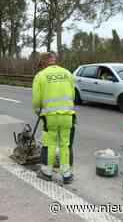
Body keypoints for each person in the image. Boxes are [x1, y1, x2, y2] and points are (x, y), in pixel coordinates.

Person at [32, 52, 76, 184]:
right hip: (68, 115)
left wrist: (39, 113)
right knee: (65, 145)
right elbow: (73, 95)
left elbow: (36, 101)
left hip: (50, 117)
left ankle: (46, 172)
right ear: (53, 61)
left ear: (43, 63)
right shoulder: (68, 73)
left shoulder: (40, 76)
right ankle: (67, 175)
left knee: (49, 144)